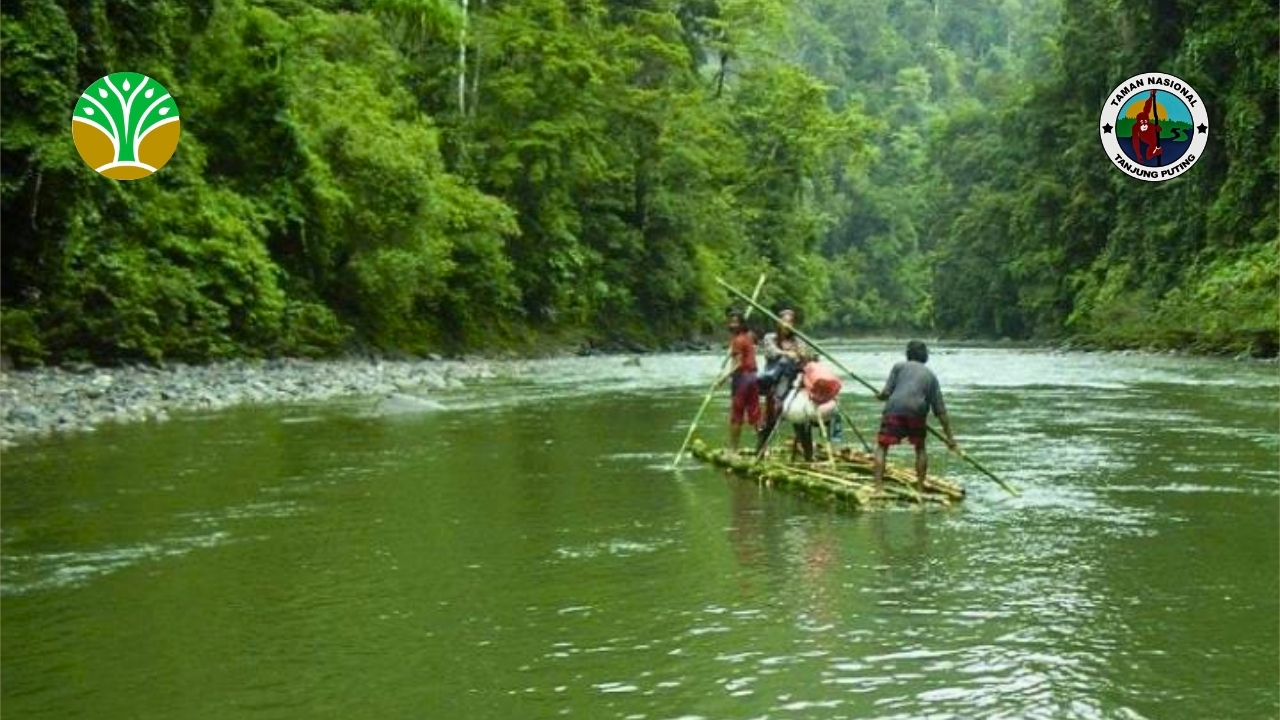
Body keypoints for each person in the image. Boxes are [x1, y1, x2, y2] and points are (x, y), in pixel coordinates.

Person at [873, 340, 958, 491]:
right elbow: (940, 410)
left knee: (882, 446)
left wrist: (880, 396)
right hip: (917, 412)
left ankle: (878, 488)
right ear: (925, 356)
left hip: (894, 409)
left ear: (908, 354)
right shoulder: (930, 376)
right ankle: (920, 488)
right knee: (920, 448)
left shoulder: (899, 367)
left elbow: (886, 393)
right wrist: (950, 438)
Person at [754, 306, 813, 457]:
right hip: (775, 386)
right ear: (778, 323)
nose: (787, 324)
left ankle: (808, 457)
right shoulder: (770, 338)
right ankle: (758, 454)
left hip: (795, 386)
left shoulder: (799, 340)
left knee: (801, 422)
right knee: (770, 422)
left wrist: (800, 356)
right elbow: (771, 352)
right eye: (783, 321)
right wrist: (788, 354)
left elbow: (805, 357)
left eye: (790, 322)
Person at [715, 308, 760, 453]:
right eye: (731, 322)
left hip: (743, 379)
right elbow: (752, 341)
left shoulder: (738, 340)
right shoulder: (749, 336)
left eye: (736, 322)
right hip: (754, 378)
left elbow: (738, 363)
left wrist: (722, 378)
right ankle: (762, 448)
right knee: (754, 414)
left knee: (736, 414)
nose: (732, 325)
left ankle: (733, 449)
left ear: (741, 324)